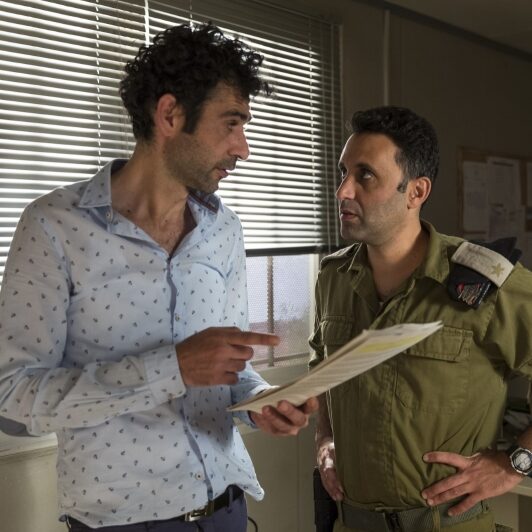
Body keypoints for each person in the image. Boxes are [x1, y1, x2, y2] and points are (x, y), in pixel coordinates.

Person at [0, 22, 317, 531]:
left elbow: (227, 369)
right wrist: (171, 368)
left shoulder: (225, 231)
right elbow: (14, 396)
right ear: (170, 115)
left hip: (227, 509)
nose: (243, 148)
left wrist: (261, 403)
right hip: (124, 522)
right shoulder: (53, 227)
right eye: (231, 124)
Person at [310, 105, 532, 532]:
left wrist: (515, 463)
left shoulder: (486, 283)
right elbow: (323, 372)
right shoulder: (333, 279)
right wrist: (325, 438)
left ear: (416, 191)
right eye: (343, 173)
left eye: (365, 175)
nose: (342, 191)